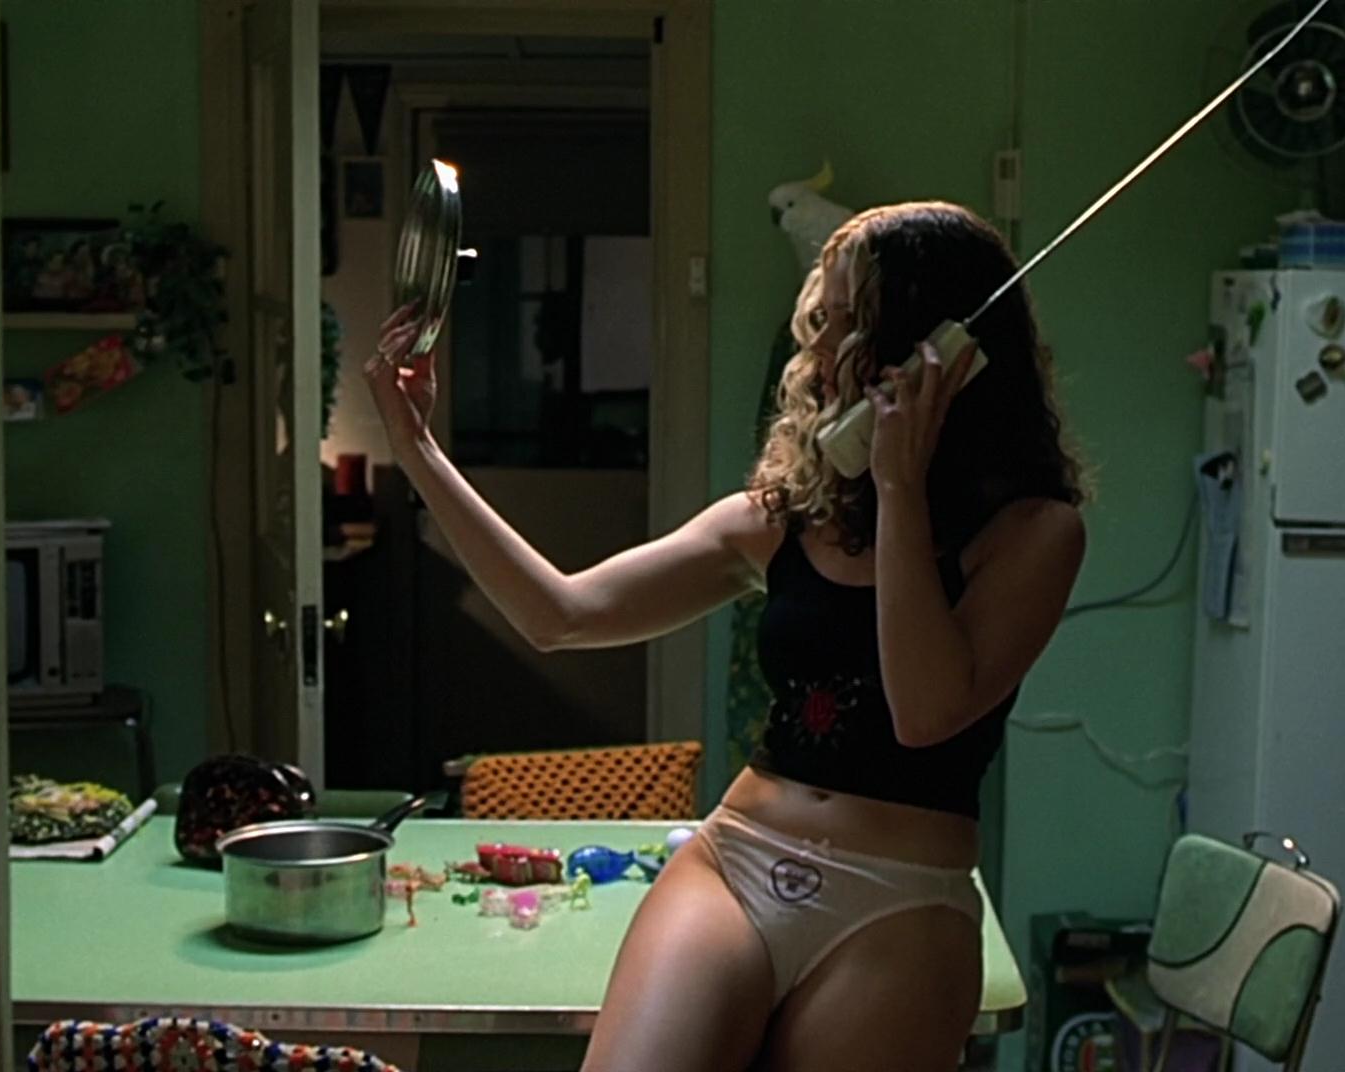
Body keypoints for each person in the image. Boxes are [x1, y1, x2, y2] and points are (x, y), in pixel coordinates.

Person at [362, 201, 1086, 1072]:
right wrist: (417, 448)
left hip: (902, 900)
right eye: (824, 320)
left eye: (849, 322)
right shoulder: (786, 516)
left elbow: (926, 712)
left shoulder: (1033, 534)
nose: (820, 349)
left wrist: (900, 489)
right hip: (739, 861)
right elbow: (561, 614)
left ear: (935, 350)